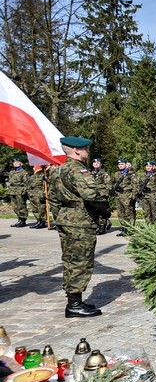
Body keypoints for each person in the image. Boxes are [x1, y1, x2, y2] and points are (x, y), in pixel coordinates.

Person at [48, 136, 109, 318]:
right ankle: (74, 305)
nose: (88, 152)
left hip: (66, 220)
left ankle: (74, 300)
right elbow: (91, 195)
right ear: (76, 150)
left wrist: (60, 216)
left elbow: (52, 198)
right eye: (85, 150)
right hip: (80, 222)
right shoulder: (77, 170)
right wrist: (105, 210)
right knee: (81, 263)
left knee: (69, 261)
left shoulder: (58, 170)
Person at [111, 158, 138, 236]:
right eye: (119, 164)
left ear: (126, 165)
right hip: (118, 196)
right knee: (120, 213)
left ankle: (130, 228)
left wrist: (133, 197)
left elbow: (135, 186)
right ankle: (123, 228)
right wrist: (113, 188)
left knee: (129, 213)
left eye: (122, 164)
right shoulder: (117, 174)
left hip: (127, 196)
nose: (120, 166)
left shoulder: (131, 174)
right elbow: (111, 182)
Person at [7, 158, 29, 227]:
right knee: (15, 206)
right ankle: (19, 219)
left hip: (20, 190)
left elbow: (27, 183)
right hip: (13, 191)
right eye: (14, 162)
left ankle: (23, 220)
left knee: (21, 206)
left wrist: (24, 191)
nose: (15, 163)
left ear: (21, 163)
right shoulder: (12, 172)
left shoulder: (23, 172)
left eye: (17, 162)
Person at [26, 165, 48, 229]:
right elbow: (29, 185)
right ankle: (38, 220)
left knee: (41, 209)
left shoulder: (43, 176)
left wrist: (44, 195)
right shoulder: (32, 176)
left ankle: (42, 222)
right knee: (34, 209)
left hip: (40, 194)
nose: (33, 168)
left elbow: (46, 186)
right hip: (32, 194)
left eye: (34, 167)